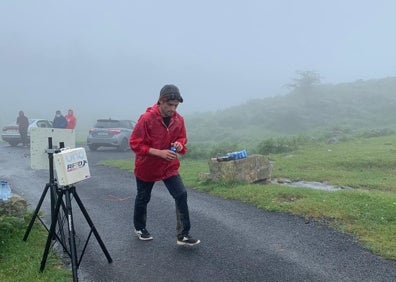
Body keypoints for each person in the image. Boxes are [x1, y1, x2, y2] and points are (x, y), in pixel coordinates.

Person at [129, 84, 200, 246]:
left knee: (181, 194)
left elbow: (182, 138)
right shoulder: (146, 119)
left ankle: (183, 234)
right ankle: (139, 228)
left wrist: (180, 145)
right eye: (169, 105)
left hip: (169, 165)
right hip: (147, 166)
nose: (173, 109)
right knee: (143, 197)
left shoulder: (178, 119)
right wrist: (158, 152)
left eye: (176, 105)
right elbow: (134, 144)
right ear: (161, 101)